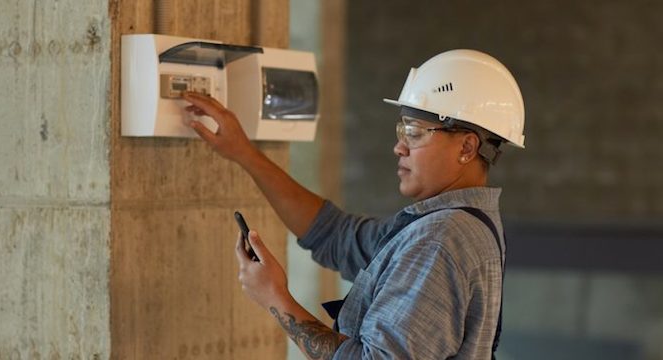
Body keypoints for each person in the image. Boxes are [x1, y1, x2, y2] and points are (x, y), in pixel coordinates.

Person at [183, 49, 525, 359]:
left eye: (416, 133)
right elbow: (334, 234)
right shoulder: (455, 225)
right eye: (401, 131)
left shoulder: (440, 239)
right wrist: (244, 152)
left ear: (466, 147)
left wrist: (276, 298)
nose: (400, 147)